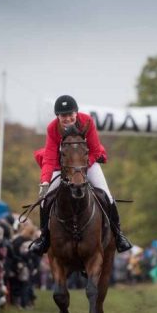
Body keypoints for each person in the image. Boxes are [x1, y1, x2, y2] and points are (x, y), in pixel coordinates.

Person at [30, 95, 132, 255]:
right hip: (62, 165)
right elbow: (49, 158)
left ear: (76, 113)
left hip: (88, 162)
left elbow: (96, 150)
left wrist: (81, 168)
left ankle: (118, 234)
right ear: (58, 116)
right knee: (45, 200)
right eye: (63, 115)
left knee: (107, 196)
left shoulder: (87, 121)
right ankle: (44, 238)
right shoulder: (52, 129)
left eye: (71, 114)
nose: (68, 118)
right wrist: (44, 182)